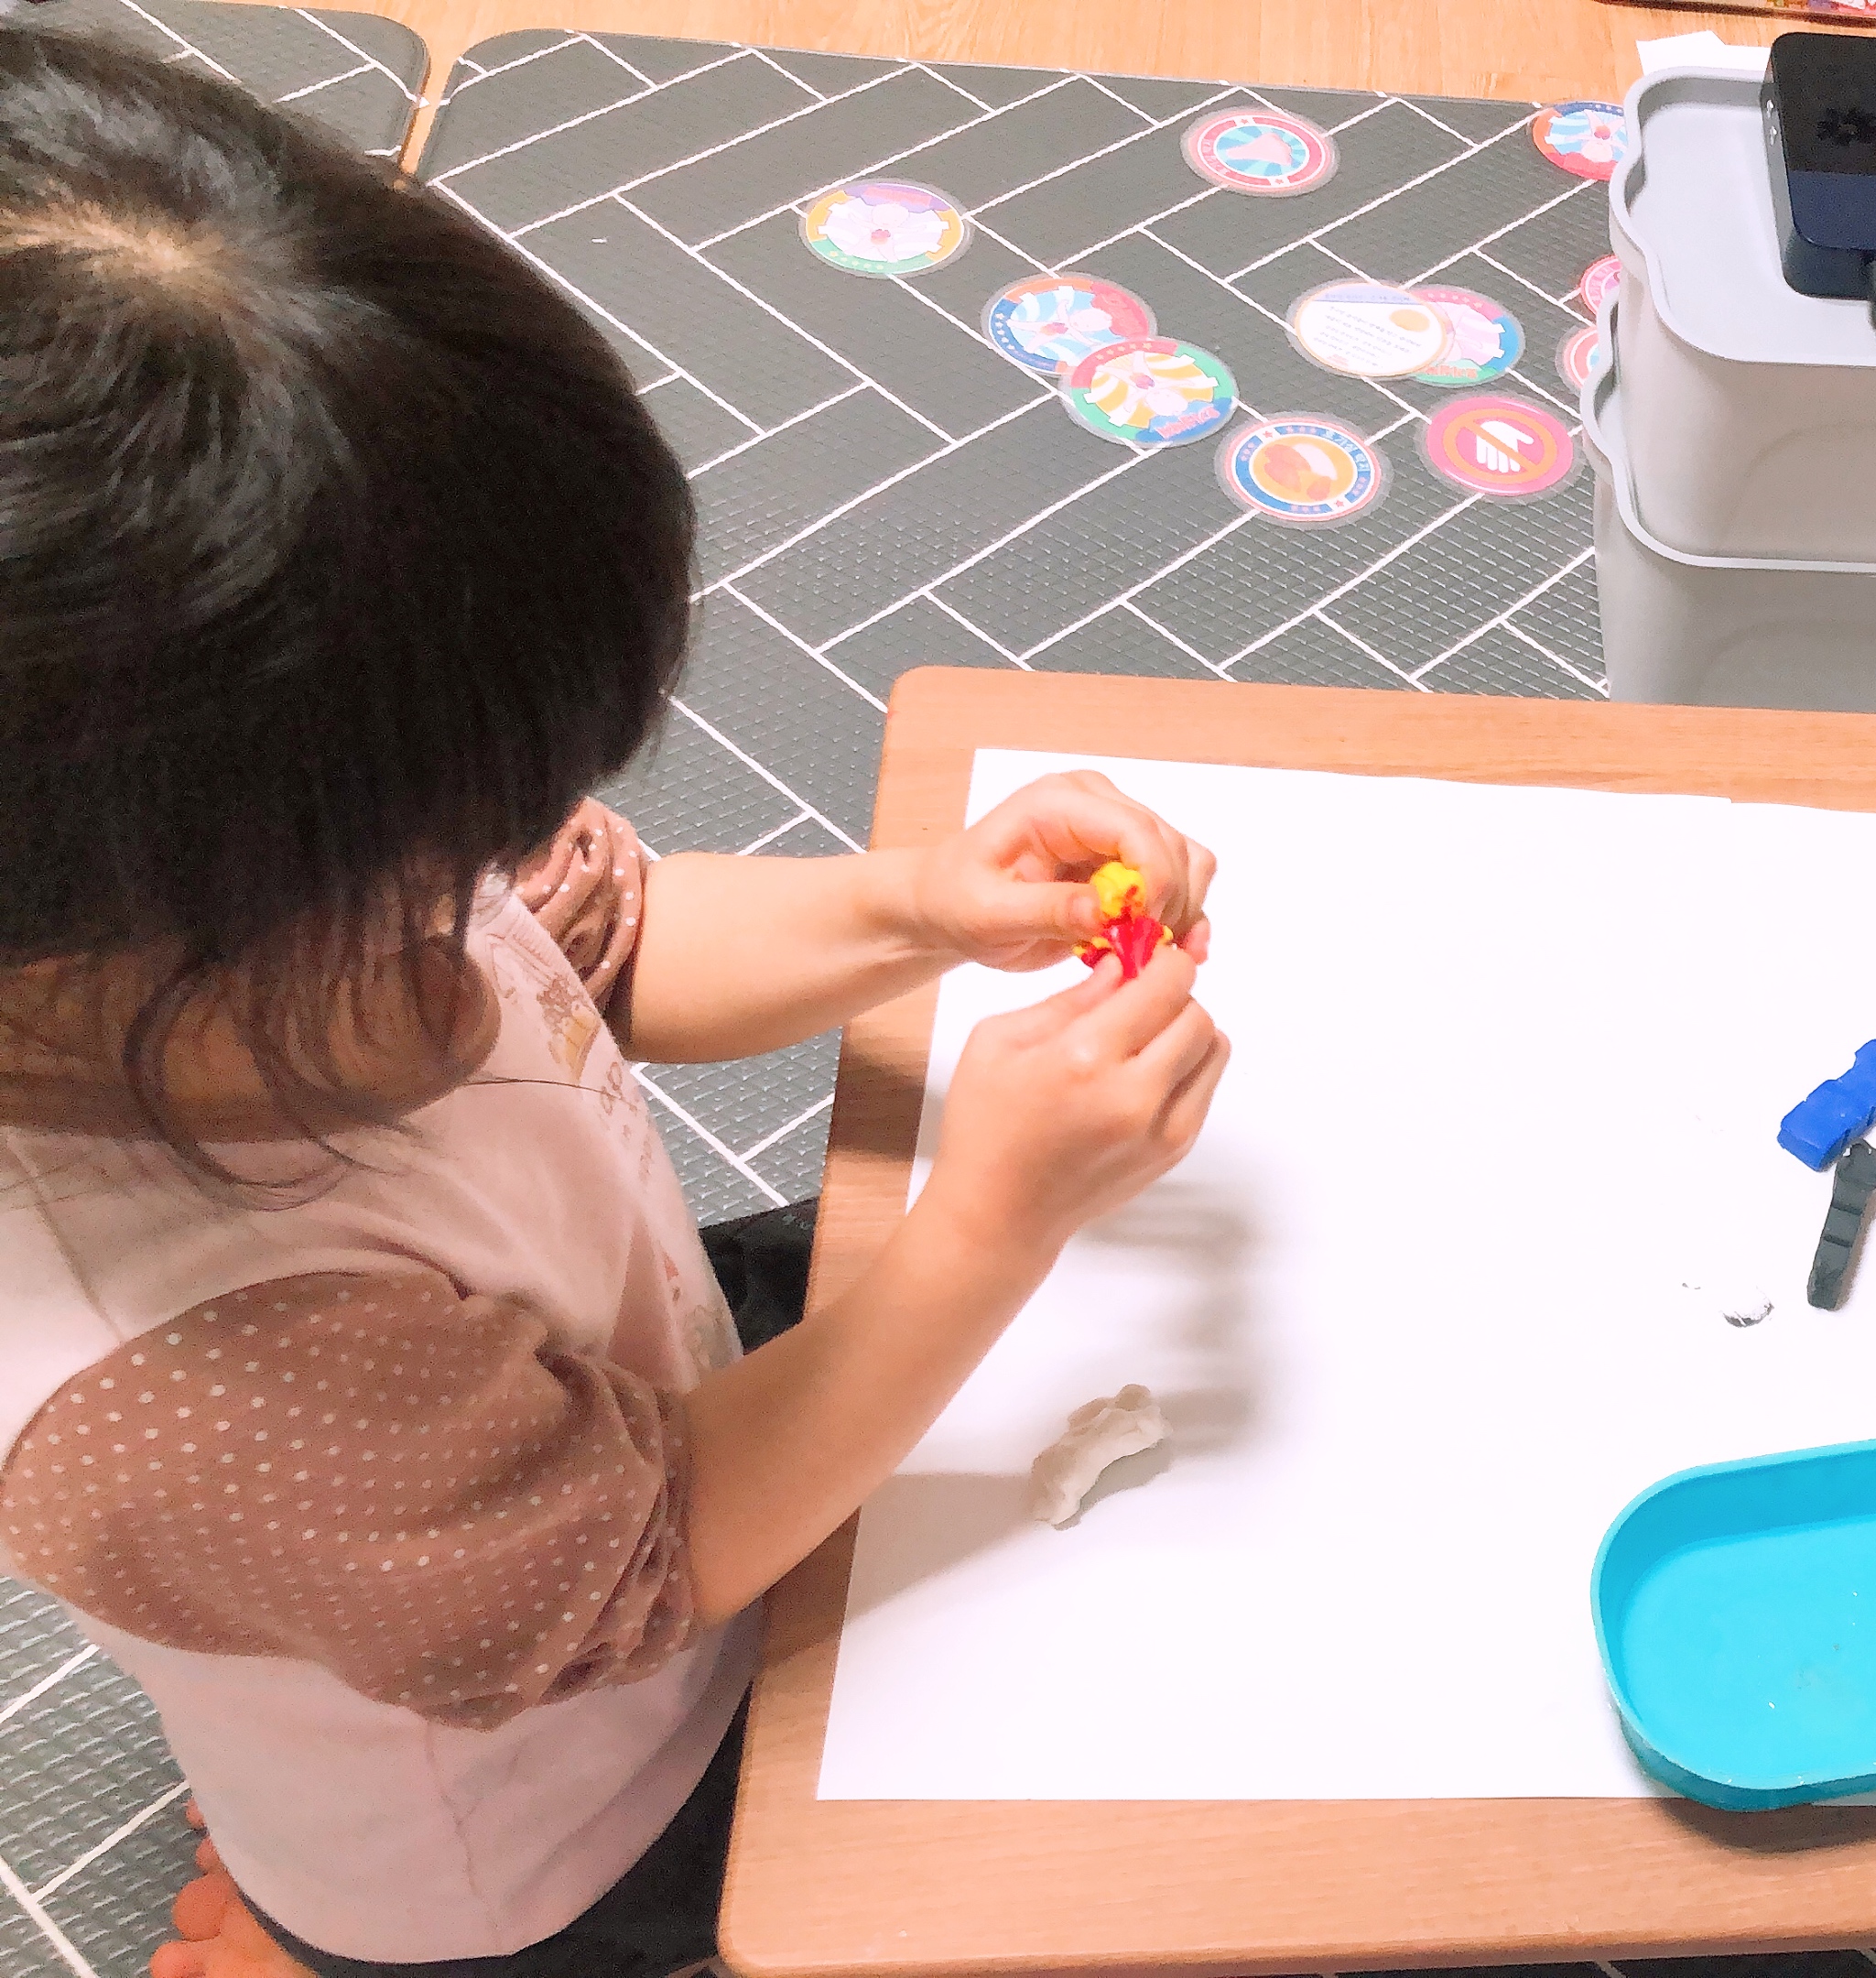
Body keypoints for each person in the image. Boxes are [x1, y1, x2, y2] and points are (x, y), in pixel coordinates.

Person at [0, 26, 1232, 1978]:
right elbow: (652, 1562)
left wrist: (911, 902)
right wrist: (991, 1218)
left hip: (550, 1440)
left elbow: (607, 952)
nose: (493, 888)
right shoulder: (177, 1385)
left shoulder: (286, 835)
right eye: (442, 857)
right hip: (564, 1792)